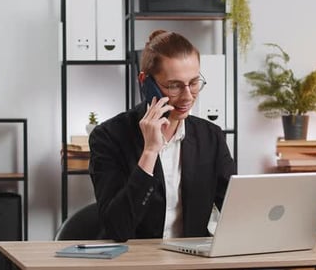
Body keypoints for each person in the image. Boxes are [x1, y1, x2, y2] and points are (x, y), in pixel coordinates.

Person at [89, 30, 236, 242]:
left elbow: (235, 209)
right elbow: (117, 229)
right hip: (134, 261)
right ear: (145, 82)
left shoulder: (210, 137)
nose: (187, 96)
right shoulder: (108, 137)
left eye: (193, 82)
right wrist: (149, 151)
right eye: (174, 85)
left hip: (191, 262)